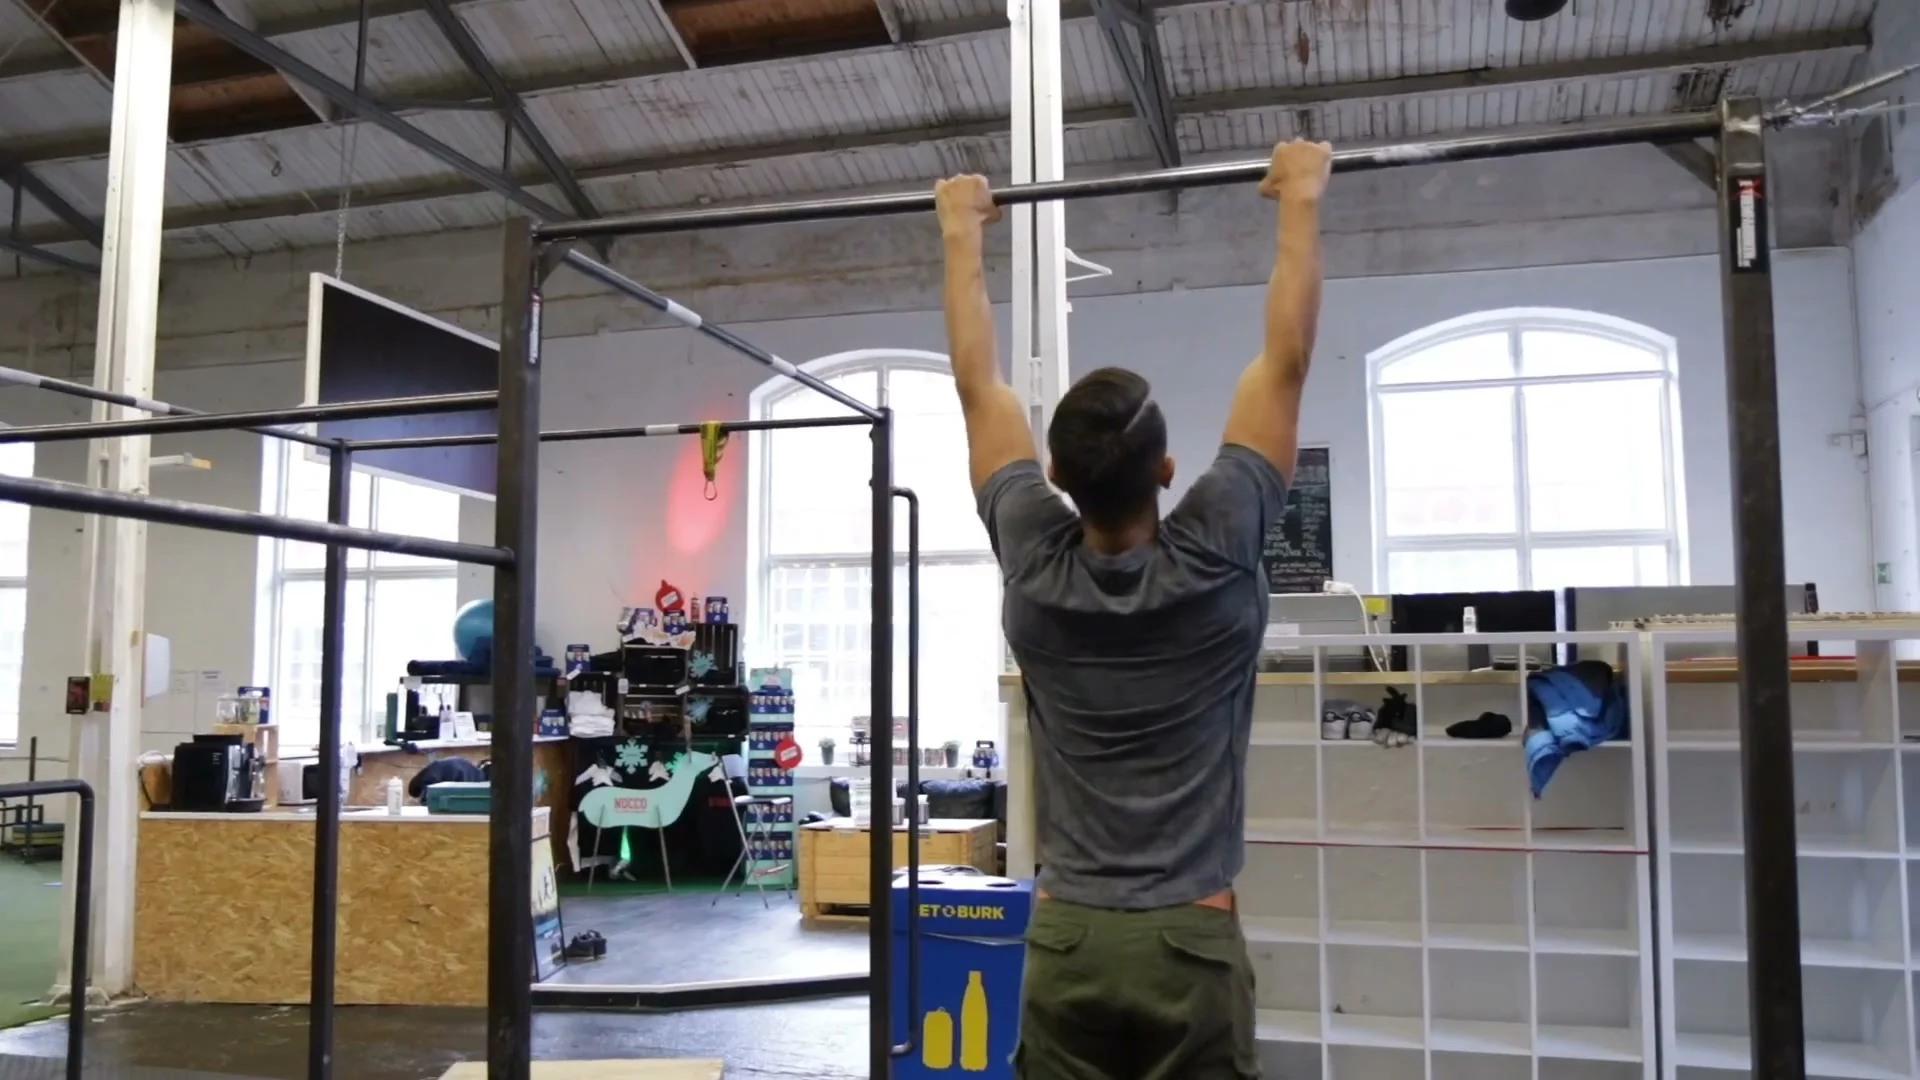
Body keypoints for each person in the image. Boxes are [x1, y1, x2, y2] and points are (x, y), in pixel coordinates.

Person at [932, 137, 1333, 1080]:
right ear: (1167, 469)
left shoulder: (1032, 559)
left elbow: (977, 389)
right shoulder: (1219, 546)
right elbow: (1287, 363)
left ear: (1058, 476)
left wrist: (960, 232)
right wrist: (1300, 197)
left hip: (1066, 937)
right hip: (1188, 939)